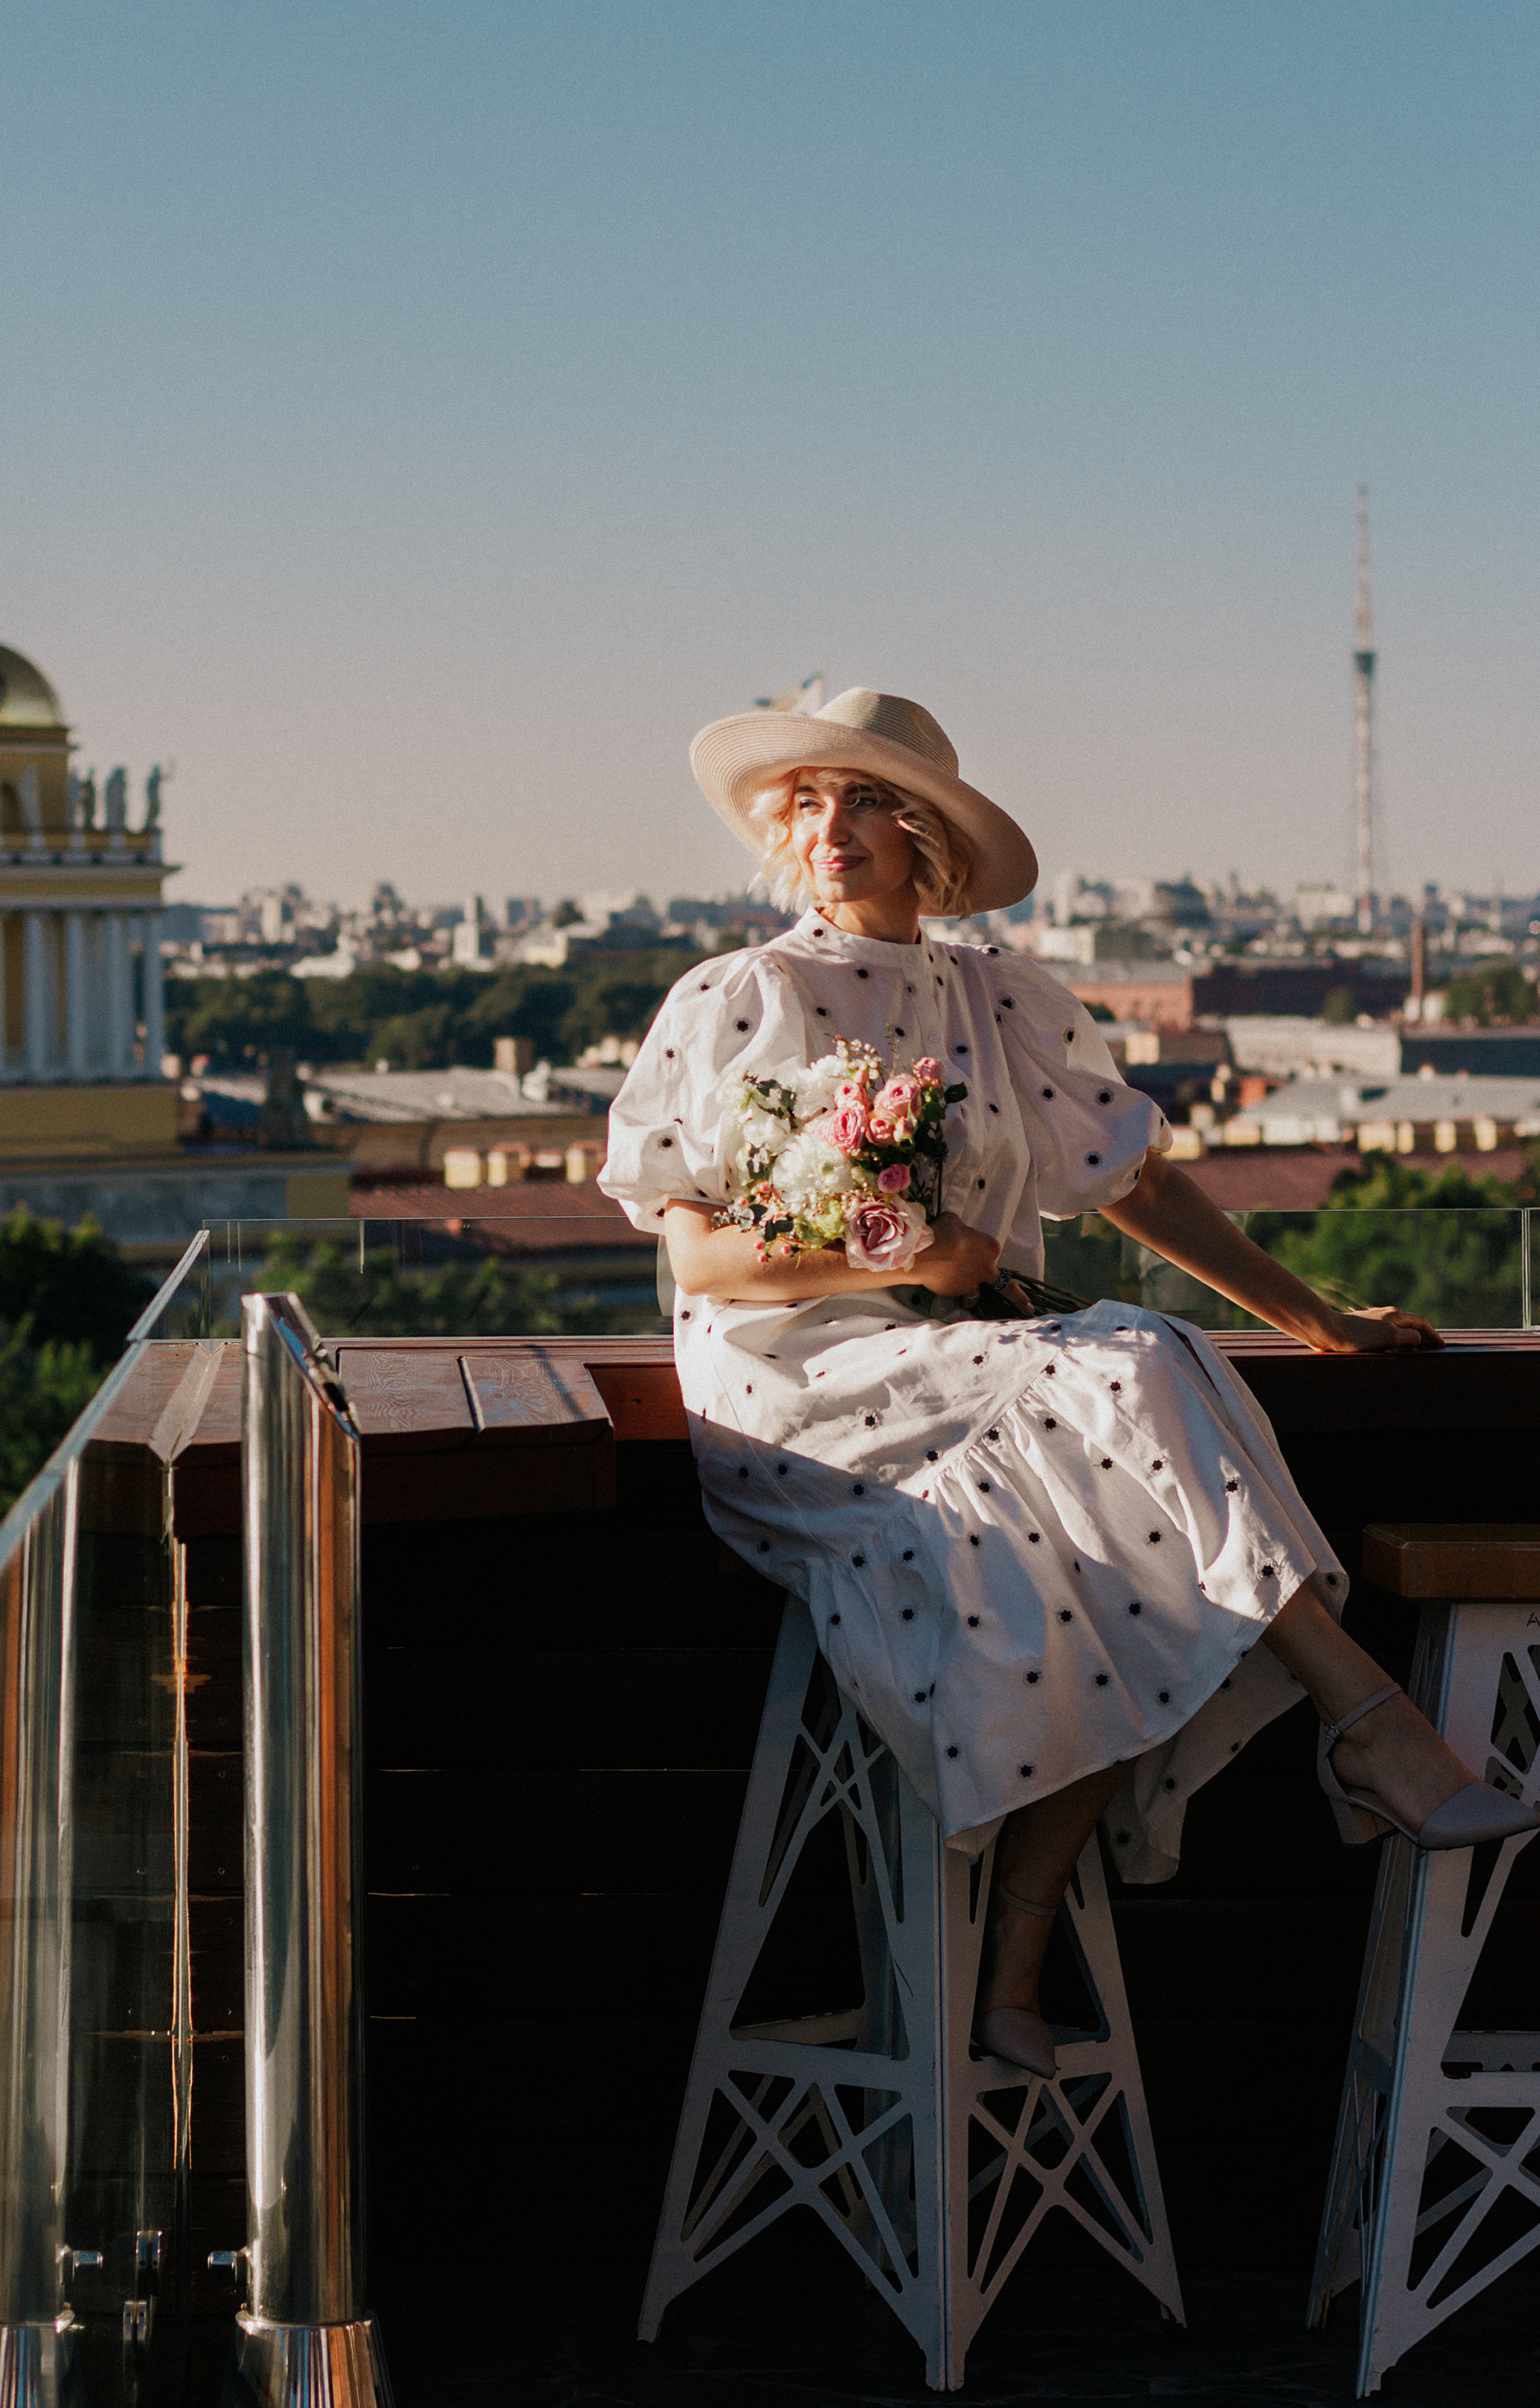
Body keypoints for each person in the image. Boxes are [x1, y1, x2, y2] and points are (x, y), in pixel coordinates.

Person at [601, 686, 1534, 2079]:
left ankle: (1018, 1958)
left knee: (1114, 1555)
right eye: (808, 800)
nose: (832, 825)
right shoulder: (743, 998)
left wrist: (1317, 1315)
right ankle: (1366, 1722)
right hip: (804, 1391)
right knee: (1145, 1366)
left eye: (864, 799)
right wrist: (912, 1259)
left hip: (976, 1368)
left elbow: (1138, 1182)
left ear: (925, 835)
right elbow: (703, 1263)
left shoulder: (996, 998)